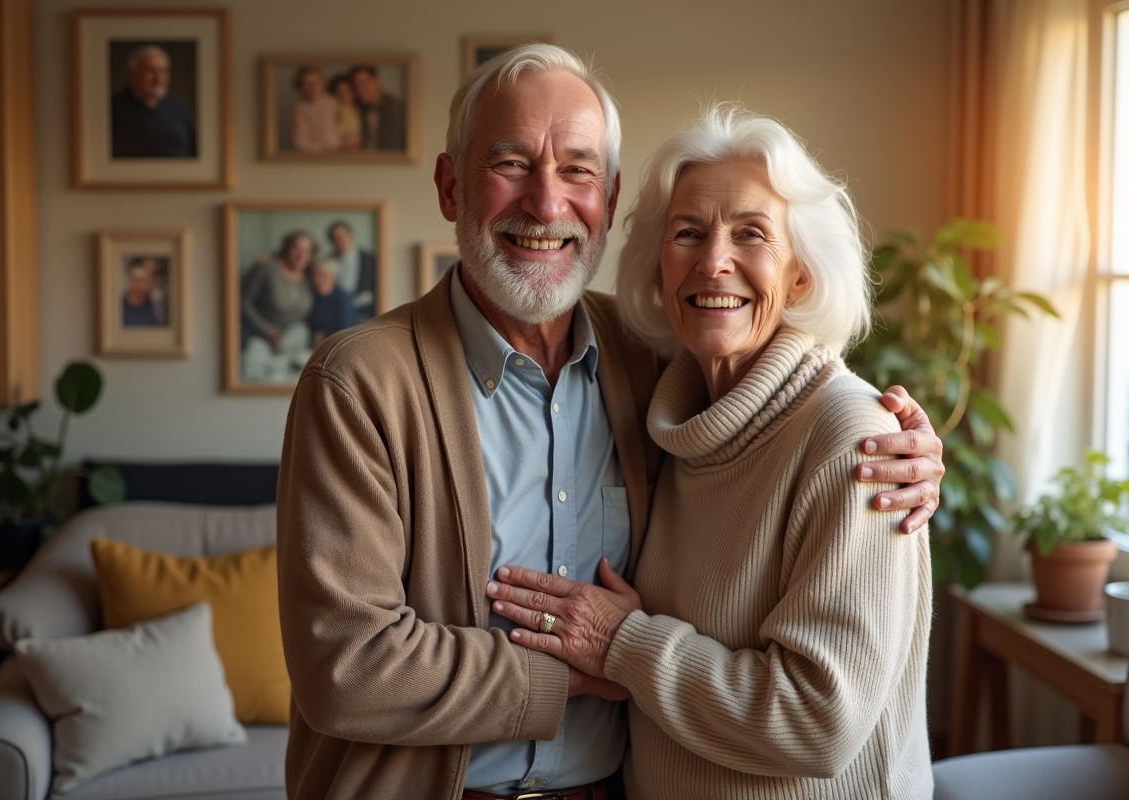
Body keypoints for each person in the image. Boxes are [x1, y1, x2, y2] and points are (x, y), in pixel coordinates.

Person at [276, 45, 943, 800]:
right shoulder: (358, 381)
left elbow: (790, 407)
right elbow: (344, 666)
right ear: (449, 185)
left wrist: (902, 446)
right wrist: (575, 669)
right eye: (510, 164)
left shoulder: (654, 362)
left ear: (610, 195)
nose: (546, 203)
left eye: (577, 171)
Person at [485, 105, 933, 799]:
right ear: (661, 271)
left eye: (750, 234)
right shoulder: (672, 420)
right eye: (687, 233)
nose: (713, 261)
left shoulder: (855, 440)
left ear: (801, 276)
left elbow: (819, 723)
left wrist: (624, 644)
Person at [240, 231, 315, 382]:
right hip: (261, 341)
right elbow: (244, 302)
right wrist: (267, 330)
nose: (301, 255)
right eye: (296, 248)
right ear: (286, 248)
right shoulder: (267, 268)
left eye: (307, 251)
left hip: (295, 345)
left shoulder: (310, 275)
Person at [111, 45, 197, 158]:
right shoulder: (112, 109)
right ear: (131, 74)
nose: (158, 79)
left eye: (163, 71)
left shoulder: (180, 110)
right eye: (150, 71)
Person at [313, 221, 376, 325]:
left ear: (351, 235)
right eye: (335, 238)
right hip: (335, 316)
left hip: (365, 317)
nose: (340, 240)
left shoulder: (370, 259)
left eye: (343, 236)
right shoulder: (327, 262)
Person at [350, 64, 406, 151]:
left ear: (376, 80)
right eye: (356, 86)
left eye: (364, 83)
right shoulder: (356, 108)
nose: (360, 90)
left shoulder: (397, 107)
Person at [305, 257, 356, 347]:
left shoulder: (344, 298)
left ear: (333, 277)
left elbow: (344, 331)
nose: (316, 280)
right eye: (314, 275)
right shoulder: (312, 296)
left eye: (322, 275)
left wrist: (325, 338)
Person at [290, 66, 340, 154]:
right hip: (315, 155)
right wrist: (323, 149)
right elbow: (299, 141)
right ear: (300, 87)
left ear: (322, 82)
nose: (313, 86)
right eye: (307, 83)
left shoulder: (333, 102)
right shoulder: (300, 109)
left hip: (340, 152)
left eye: (316, 82)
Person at [121, 257, 160, 327]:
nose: (141, 286)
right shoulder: (118, 308)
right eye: (137, 280)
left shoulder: (157, 310)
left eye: (145, 281)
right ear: (129, 281)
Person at [328, 73, 363, 150]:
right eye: (339, 93)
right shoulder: (331, 111)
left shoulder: (359, 109)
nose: (344, 95)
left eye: (348, 91)